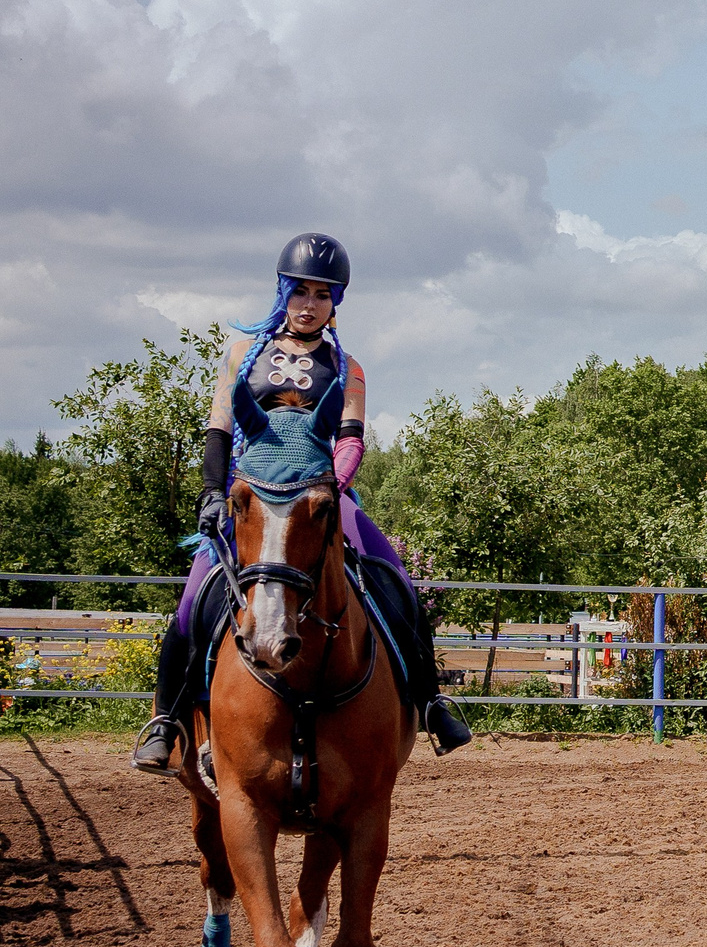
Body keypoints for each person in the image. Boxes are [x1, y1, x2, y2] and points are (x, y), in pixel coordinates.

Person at [131, 233, 472, 772]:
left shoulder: (347, 367)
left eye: (322, 294)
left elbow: (350, 439)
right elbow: (219, 430)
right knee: (194, 598)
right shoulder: (242, 356)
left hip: (320, 494)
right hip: (252, 496)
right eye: (301, 291)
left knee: (396, 579)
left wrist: (330, 488)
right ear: (283, 292)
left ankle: (431, 703)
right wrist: (213, 494)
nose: (309, 304)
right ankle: (166, 719)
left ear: (336, 303)